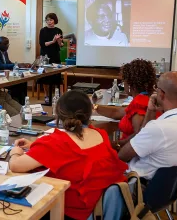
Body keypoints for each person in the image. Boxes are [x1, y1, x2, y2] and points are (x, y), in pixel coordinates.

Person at [9, 90, 128, 220]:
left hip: (69, 211)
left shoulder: (55, 142)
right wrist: (35, 146)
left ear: (58, 115)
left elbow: (15, 166)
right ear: (89, 113)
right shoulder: (100, 134)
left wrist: (15, 152)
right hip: (96, 207)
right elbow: (74, 155)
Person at [118, 72, 177, 180]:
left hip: (135, 186)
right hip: (162, 188)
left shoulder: (159, 128)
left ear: (161, 94)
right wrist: (150, 111)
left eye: (157, 88)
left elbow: (122, 156)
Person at [95, 59, 160, 148]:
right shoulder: (149, 98)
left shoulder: (139, 103)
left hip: (129, 155)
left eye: (123, 81)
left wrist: (117, 145)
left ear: (129, 84)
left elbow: (140, 136)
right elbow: (116, 113)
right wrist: (94, 107)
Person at [0, 36, 28, 105]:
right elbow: (0, 66)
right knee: (16, 84)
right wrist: (15, 65)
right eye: (5, 45)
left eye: (8, 44)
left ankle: (22, 104)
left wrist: (18, 65)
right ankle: (15, 103)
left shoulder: (4, 51)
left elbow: (8, 63)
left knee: (22, 82)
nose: (7, 46)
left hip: (4, 74)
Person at [38, 13, 64, 105]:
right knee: (45, 77)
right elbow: (42, 44)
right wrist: (53, 41)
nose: (49, 22)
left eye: (51, 20)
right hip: (45, 56)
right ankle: (46, 96)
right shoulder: (43, 30)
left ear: (55, 21)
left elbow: (61, 45)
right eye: (47, 20)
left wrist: (58, 41)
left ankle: (60, 96)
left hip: (55, 56)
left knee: (57, 76)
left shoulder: (58, 30)